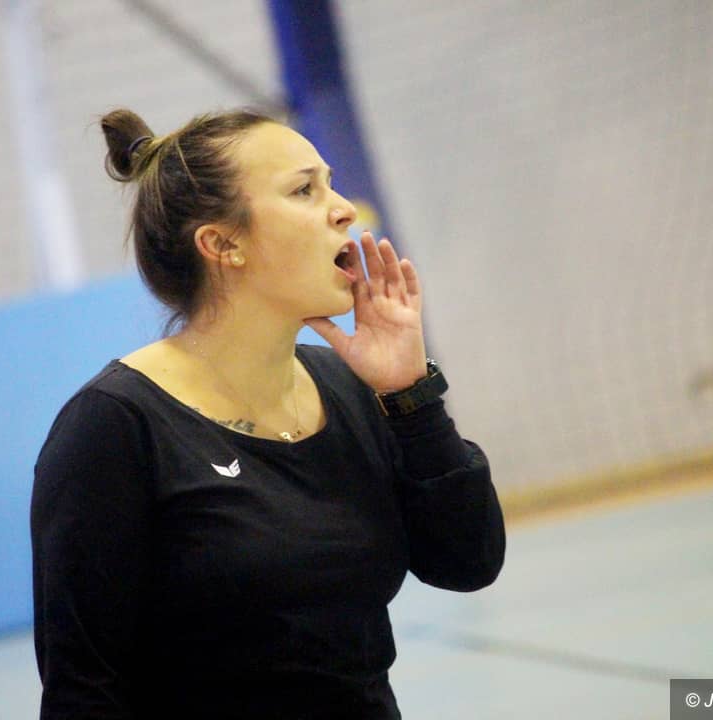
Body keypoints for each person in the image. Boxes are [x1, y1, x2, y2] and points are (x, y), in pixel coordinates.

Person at [30, 107, 506, 719]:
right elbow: (82, 694)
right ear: (222, 244)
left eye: (331, 184)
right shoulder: (114, 427)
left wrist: (409, 394)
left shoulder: (349, 386)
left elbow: (468, 562)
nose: (344, 210)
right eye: (305, 190)